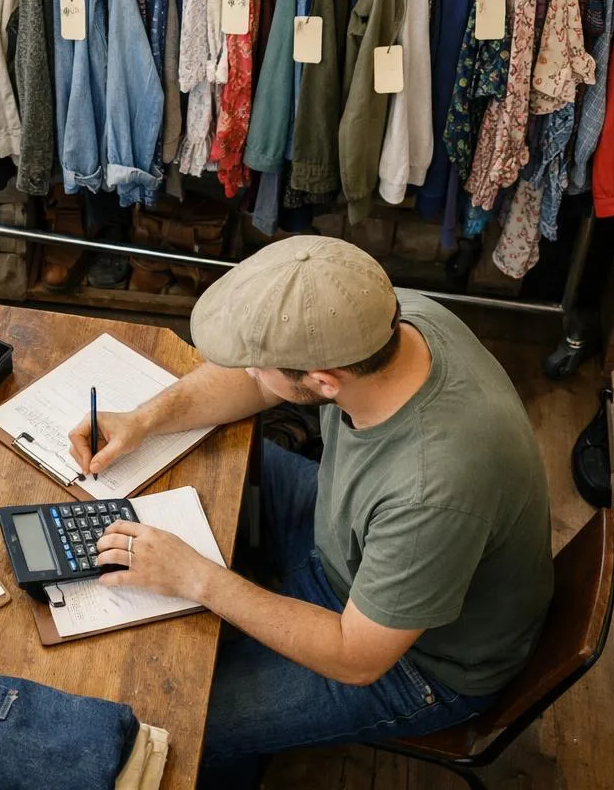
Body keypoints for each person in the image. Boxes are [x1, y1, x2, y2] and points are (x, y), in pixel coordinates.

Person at [68, 236, 553, 786]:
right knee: (218, 462)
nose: (249, 372)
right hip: (347, 538)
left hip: (417, 660)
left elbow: (357, 657)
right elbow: (256, 382)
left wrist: (196, 577)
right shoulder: (386, 319)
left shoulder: (433, 490)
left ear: (324, 381)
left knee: (172, 722)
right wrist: (143, 420)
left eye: (260, 366)